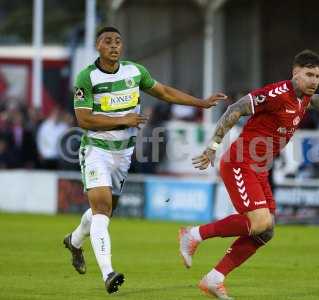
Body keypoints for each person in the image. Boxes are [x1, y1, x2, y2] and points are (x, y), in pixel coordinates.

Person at [179, 49, 319, 299]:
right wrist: (213, 146)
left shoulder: (304, 97)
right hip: (240, 162)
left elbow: (316, 101)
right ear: (295, 73)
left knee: (266, 232)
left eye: (318, 76)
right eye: (309, 74)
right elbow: (235, 109)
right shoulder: (277, 94)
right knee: (259, 223)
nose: (314, 80)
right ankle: (193, 234)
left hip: (259, 169)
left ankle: (214, 278)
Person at [63, 26, 226, 294]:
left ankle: (75, 241)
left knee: (102, 212)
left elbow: (165, 92)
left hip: (125, 153)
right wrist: (123, 120)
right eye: (108, 41)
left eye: (118, 41)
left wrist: (201, 103)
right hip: (96, 151)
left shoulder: (135, 72)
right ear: (98, 47)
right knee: (102, 210)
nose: (114, 45)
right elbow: (83, 120)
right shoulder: (86, 77)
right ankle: (108, 273)